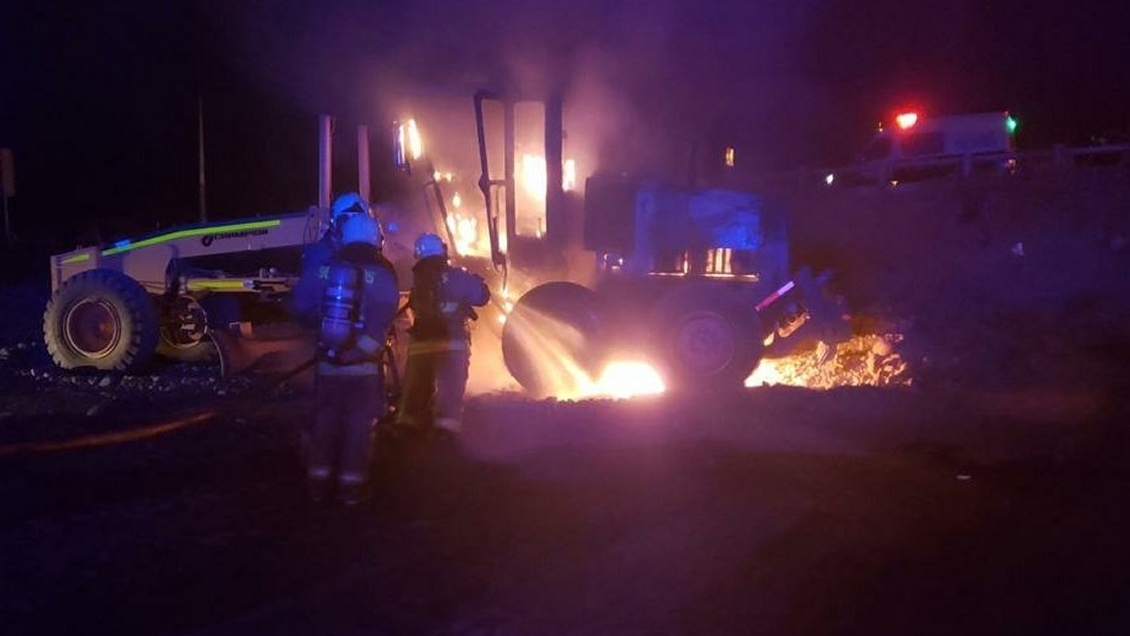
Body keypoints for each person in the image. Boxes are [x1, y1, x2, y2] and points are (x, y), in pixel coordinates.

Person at [292, 213, 400, 505]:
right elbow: (386, 318)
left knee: (324, 420)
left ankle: (317, 483)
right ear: (373, 238)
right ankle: (351, 489)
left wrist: (325, 332)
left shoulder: (322, 270)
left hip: (328, 364)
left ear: (342, 236)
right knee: (358, 425)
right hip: (364, 368)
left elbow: (300, 308)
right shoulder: (383, 276)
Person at [396, 233, 490, 438]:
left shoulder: (417, 278)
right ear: (444, 251)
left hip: (422, 343)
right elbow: (483, 297)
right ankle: (445, 435)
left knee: (417, 388)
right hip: (453, 343)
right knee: (451, 389)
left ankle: (409, 431)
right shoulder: (459, 276)